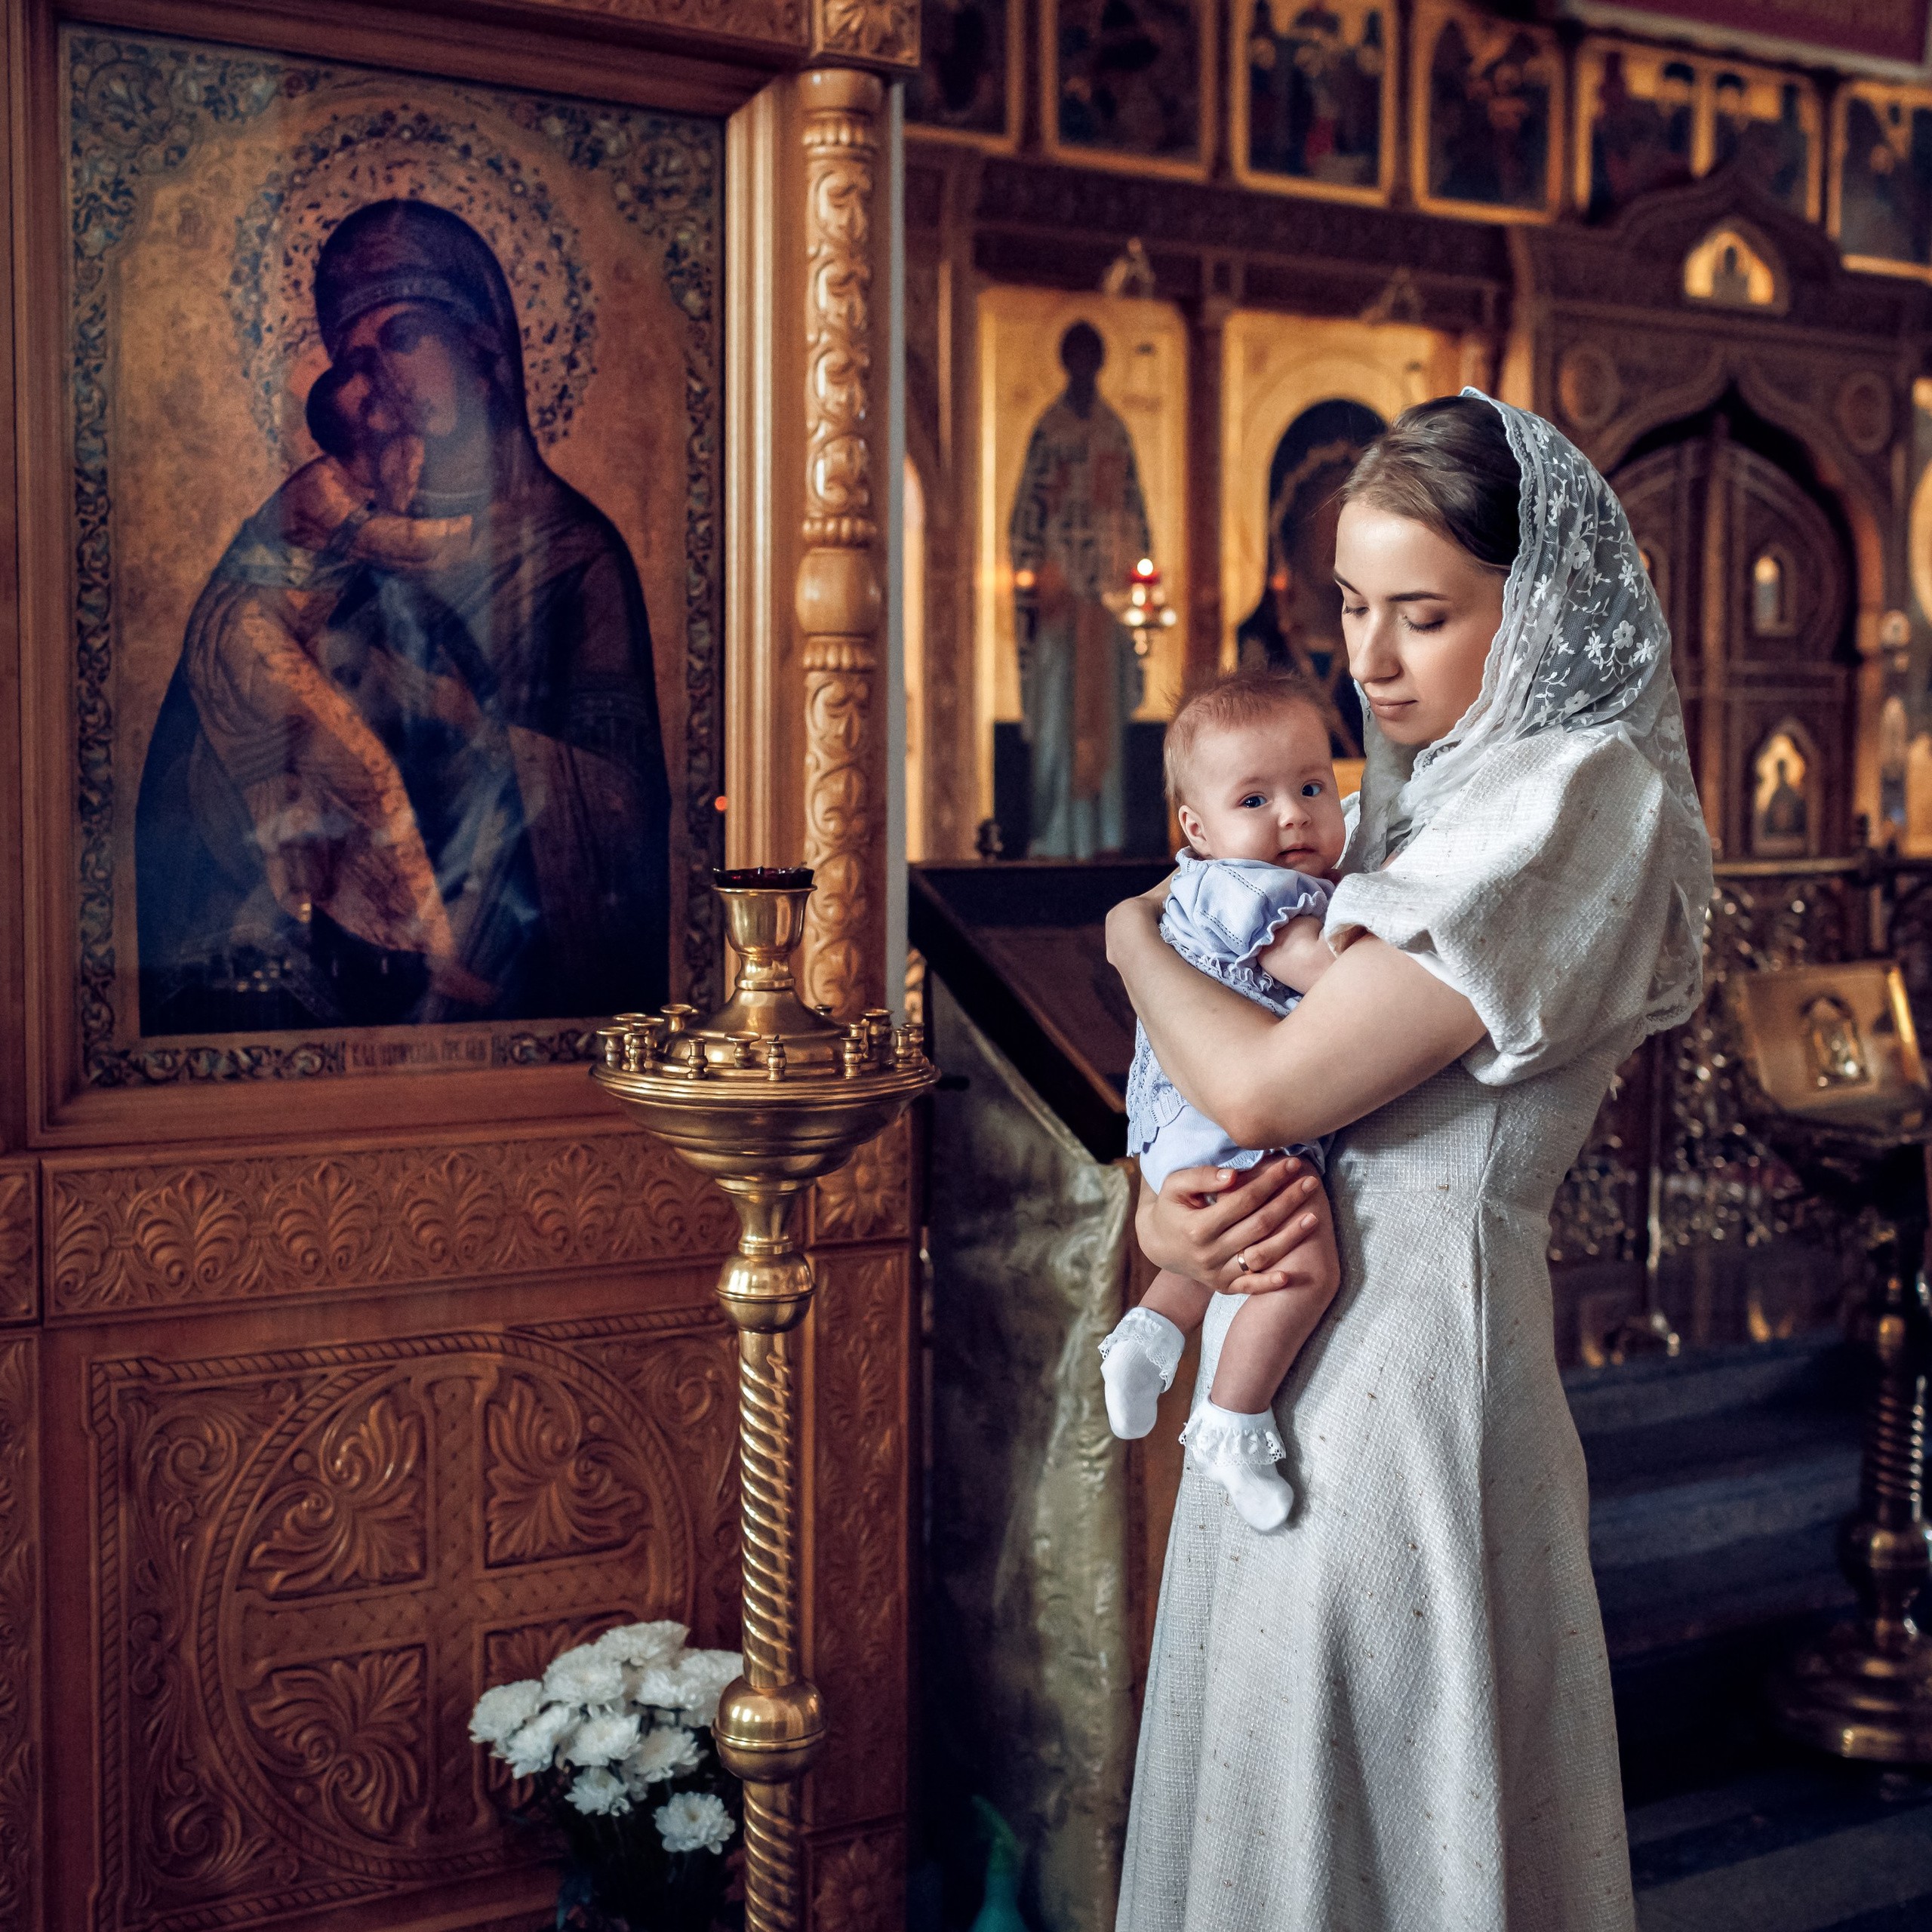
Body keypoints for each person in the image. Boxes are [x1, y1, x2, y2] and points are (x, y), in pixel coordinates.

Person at [1105, 391, 1711, 1930]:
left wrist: (1121, 935)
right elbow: (1225, 1101)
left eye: (1422, 616)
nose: (1368, 663)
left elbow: (1255, 1082)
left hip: (1417, 1381)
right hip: (1287, 1353)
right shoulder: (1409, 798)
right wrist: (1170, 1239)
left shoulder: (1575, 800)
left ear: (1538, 605)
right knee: (1263, 1805)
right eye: (1353, 609)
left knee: (1381, 1815)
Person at [137, 198, 671, 1033]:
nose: (377, 373)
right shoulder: (322, 537)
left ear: (483, 344)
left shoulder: (576, 556)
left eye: (404, 336)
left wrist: (453, 719)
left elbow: (622, 819)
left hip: (508, 978)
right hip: (327, 964)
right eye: (353, 354)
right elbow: (195, 764)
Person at [1101, 671, 1345, 1534]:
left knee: (1210, 1251)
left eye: (1312, 786)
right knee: (1298, 1265)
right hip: (1225, 1108)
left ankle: (1147, 1337)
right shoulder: (1256, 892)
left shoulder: (1197, 884)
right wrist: (1386, 938)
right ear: (1197, 830)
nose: (1292, 814)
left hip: (1177, 1124)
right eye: (1256, 797)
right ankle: (1232, 1423)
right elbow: (1325, 976)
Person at [1010, 320, 1153, 859]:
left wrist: (1128, 584)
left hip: (1105, 606)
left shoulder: (1115, 431)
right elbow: (1025, 515)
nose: (1085, 367)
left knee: (1106, 731)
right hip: (1058, 605)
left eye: (1093, 357)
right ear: (1066, 361)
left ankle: (1104, 838)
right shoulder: (1049, 431)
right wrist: (1038, 576)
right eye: (1078, 356)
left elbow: (1134, 514)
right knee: (1054, 729)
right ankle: (1053, 838)